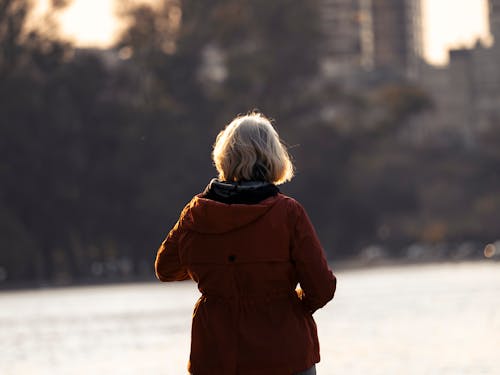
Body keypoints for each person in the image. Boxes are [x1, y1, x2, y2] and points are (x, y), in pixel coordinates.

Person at [155, 112, 336, 375]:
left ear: (224, 157)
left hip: (216, 354)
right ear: (273, 156)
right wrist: (289, 306)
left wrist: (216, 275)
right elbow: (322, 287)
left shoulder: (196, 213)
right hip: (284, 353)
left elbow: (166, 269)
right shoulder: (287, 213)